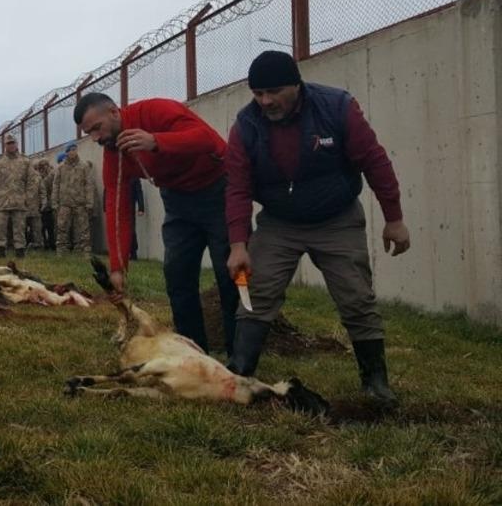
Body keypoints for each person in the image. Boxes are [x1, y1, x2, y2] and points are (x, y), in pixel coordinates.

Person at [224, 50, 410, 406]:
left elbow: (374, 160)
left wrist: (394, 218)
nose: (265, 101)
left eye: (274, 91)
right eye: (258, 93)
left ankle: (375, 383)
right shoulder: (246, 125)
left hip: (336, 219)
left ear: (296, 84)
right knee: (257, 292)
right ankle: (241, 373)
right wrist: (238, 244)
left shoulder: (337, 108)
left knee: (356, 297)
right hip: (279, 223)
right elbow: (237, 188)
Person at [74, 91, 237, 355]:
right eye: (88, 133)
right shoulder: (114, 153)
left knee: (229, 273)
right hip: (177, 201)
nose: (95, 138)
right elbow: (117, 208)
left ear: (114, 112)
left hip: (218, 190)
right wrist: (118, 268)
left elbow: (207, 138)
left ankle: (239, 355)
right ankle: (193, 352)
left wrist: (156, 141)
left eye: (96, 128)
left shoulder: (156, 111)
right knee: (177, 276)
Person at [0, 135, 33, 257]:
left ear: (17, 144)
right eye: (8, 143)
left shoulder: (25, 161)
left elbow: (31, 181)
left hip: (19, 199)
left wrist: (28, 197)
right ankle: (0, 249)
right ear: (5, 145)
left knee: (19, 227)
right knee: (0, 227)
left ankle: (20, 250)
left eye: (13, 143)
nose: (11, 145)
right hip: (2, 200)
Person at [53, 143, 94, 255]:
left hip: (80, 202)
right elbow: (56, 185)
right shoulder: (61, 168)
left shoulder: (84, 166)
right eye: (71, 150)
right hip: (65, 203)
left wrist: (89, 202)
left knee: (83, 228)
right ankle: (61, 250)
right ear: (66, 152)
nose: (73, 152)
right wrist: (55, 202)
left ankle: (85, 250)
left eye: (75, 149)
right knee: (62, 227)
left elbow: (88, 185)